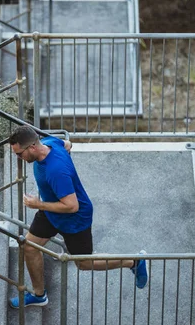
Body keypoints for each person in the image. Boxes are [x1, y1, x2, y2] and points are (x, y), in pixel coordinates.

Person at [8, 126, 148, 308]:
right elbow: (67, 144)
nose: (18, 159)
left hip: (74, 218)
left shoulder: (55, 171)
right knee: (29, 247)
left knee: (83, 263)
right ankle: (39, 295)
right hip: (51, 212)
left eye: (19, 154)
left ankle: (133, 262)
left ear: (33, 147)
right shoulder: (50, 143)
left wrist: (37, 204)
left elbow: (72, 206)